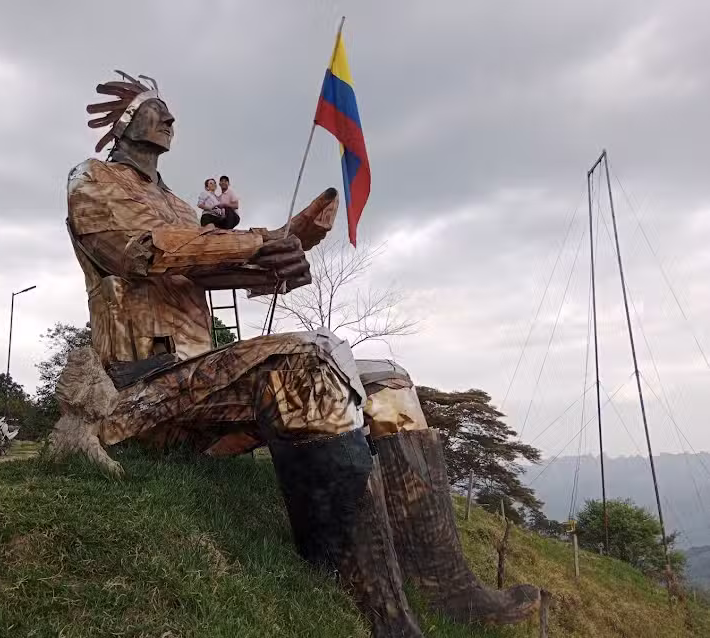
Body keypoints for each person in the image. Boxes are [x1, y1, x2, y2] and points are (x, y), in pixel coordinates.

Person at [50, 70, 540, 637]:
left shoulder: (177, 204)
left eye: (169, 110)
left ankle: (447, 588)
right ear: (125, 120)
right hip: (140, 391)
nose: (170, 118)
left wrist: (279, 258)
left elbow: (206, 265)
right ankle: (382, 615)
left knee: (388, 382)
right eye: (155, 108)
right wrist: (264, 240)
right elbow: (146, 251)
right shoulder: (94, 181)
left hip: (196, 385)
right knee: (306, 363)